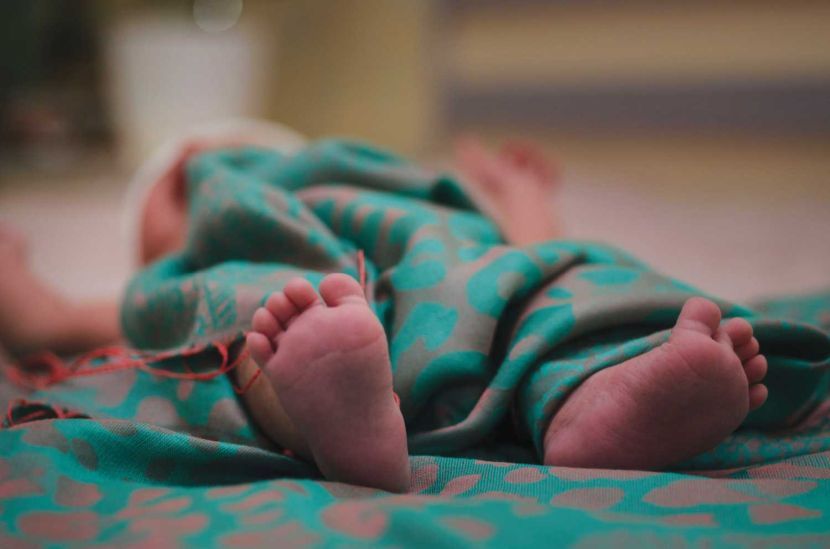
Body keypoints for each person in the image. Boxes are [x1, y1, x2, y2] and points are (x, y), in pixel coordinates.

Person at [0, 131, 768, 495]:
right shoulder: (191, 276)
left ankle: (594, 404)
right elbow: (47, 318)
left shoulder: (403, 201)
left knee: (540, 284)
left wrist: (519, 195)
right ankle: (336, 415)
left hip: (455, 276)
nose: (212, 169)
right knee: (254, 320)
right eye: (183, 180)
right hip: (348, 317)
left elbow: (530, 248)